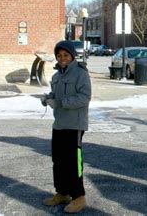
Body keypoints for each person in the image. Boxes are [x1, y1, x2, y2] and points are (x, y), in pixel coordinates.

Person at [41, 40, 91, 213]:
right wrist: (49, 98)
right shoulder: (57, 76)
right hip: (60, 124)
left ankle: (79, 197)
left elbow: (84, 97)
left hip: (75, 124)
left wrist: (61, 102)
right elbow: (57, 95)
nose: (62, 58)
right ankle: (62, 193)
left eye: (66, 55)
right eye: (59, 55)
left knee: (73, 163)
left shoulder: (80, 73)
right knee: (59, 161)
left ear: (72, 56)